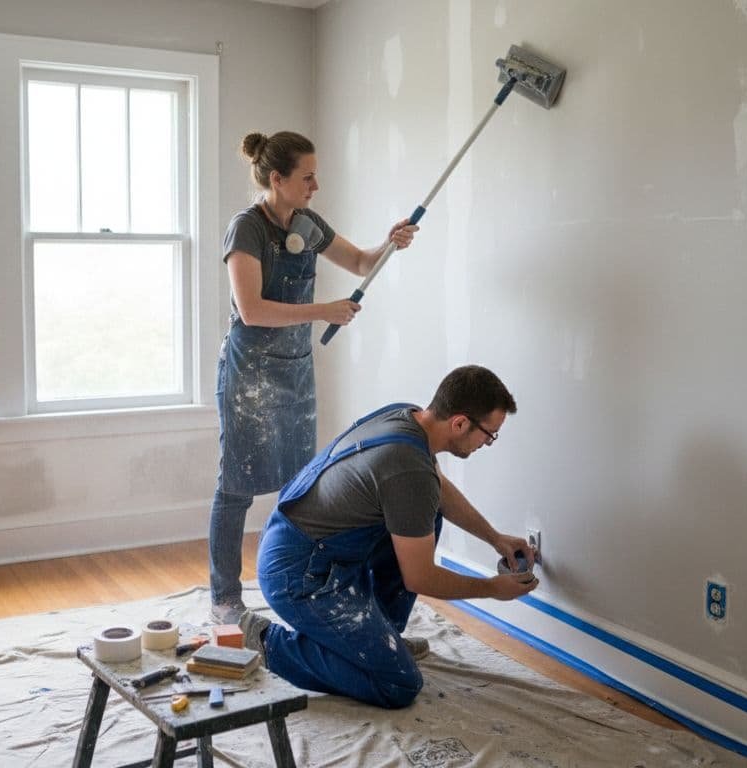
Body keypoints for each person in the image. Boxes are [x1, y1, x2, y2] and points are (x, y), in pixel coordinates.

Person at [239, 365, 539, 709]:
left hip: (304, 545)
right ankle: (268, 643)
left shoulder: (408, 418)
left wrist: (495, 538)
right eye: (489, 434)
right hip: (298, 574)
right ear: (459, 423)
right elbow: (419, 578)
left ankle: (379, 640)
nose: (488, 443)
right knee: (398, 684)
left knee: (428, 516)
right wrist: (489, 589)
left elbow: (435, 489)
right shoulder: (408, 470)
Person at [210, 130, 419, 623]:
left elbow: (362, 262)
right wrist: (323, 310)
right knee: (237, 486)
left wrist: (391, 243)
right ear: (277, 180)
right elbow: (253, 309)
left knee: (301, 486)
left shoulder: (308, 222)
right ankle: (223, 599)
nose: (316, 185)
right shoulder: (247, 229)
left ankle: (291, 584)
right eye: (307, 177)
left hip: (296, 374)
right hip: (250, 376)